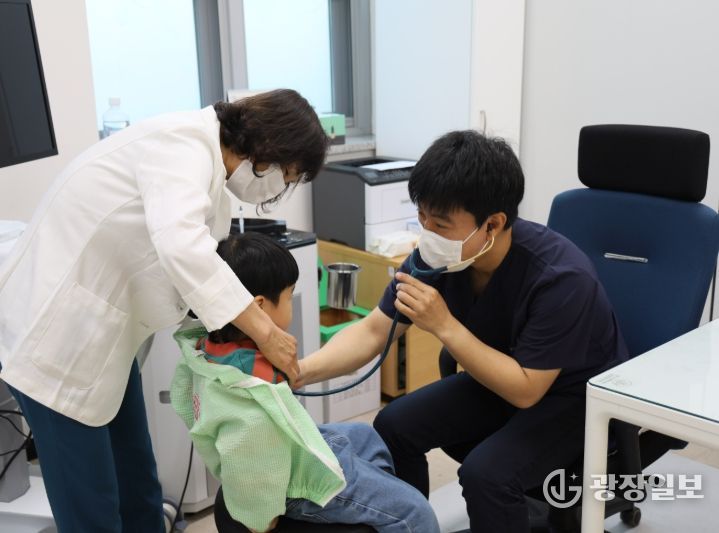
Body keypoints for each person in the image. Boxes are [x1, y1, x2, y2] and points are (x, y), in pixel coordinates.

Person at [0, 89, 328, 533]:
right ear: (268, 148)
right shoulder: (181, 145)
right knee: (91, 503)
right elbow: (181, 247)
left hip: (108, 342)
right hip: (58, 344)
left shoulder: (212, 180)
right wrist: (265, 333)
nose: (279, 188)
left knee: (137, 481)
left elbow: (190, 274)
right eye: (286, 175)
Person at [297, 130, 629, 533]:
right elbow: (373, 331)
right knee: (393, 427)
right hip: (499, 377)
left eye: (440, 223)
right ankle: (411, 524)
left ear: (493, 224)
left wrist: (444, 325)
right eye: (422, 217)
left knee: (488, 475)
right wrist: (299, 372)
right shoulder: (439, 258)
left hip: (573, 399)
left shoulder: (561, 278)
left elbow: (526, 390)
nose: (427, 234)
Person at [171, 232, 440, 533]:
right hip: (295, 486)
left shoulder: (208, 348)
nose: (291, 302)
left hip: (292, 452)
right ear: (259, 307)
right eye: (290, 295)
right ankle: (385, 509)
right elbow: (248, 466)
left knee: (364, 436)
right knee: (415, 511)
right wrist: (262, 518)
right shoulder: (253, 401)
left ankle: (375, 504)